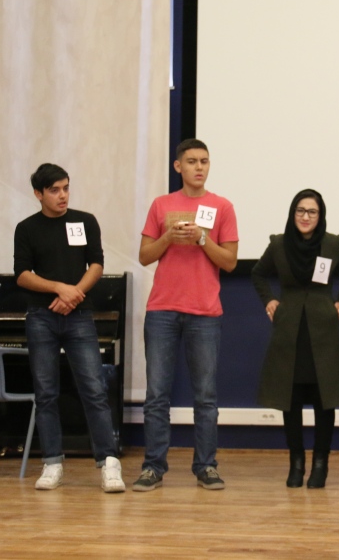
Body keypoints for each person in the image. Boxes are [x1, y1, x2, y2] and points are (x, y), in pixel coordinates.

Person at [133, 139, 239, 491]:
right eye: (192, 161)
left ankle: (206, 466)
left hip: (205, 312)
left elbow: (230, 262)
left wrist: (202, 239)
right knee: (156, 395)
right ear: (178, 166)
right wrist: (168, 236)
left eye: (204, 161)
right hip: (162, 309)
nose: (199, 167)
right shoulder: (161, 204)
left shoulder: (222, 206)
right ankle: (153, 467)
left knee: (205, 396)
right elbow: (145, 256)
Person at [13, 163, 125, 493]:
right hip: (41, 316)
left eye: (66, 188)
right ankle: (52, 462)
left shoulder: (85, 221)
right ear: (38, 194)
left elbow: (97, 264)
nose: (62, 195)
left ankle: (108, 462)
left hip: (79, 315)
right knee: (46, 392)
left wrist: (74, 294)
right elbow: (22, 274)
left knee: (94, 388)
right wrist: (59, 289)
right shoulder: (27, 228)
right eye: (54, 190)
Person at [252, 189, 339, 489]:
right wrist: (269, 300)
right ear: (292, 213)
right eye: (300, 210)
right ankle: (296, 462)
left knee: (325, 399)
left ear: (320, 216)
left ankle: (321, 464)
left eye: (312, 211)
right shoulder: (279, 244)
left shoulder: (331, 244)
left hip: (323, 330)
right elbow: (258, 274)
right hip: (289, 330)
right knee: (291, 398)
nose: (306, 217)